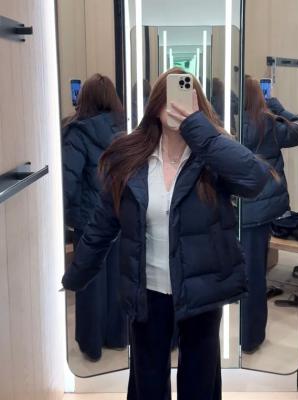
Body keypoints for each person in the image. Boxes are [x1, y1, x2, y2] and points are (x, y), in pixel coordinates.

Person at [62, 67, 271, 400]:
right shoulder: (130, 157)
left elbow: (255, 179)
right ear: (156, 105)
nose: (176, 106)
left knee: (199, 383)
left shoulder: (213, 156)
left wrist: (198, 128)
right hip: (147, 292)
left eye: (186, 98)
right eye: (169, 98)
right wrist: (76, 274)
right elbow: (102, 224)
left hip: (202, 290)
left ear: (197, 105)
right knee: (148, 382)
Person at [62, 73, 128, 361]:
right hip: (119, 215)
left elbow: (68, 181)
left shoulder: (76, 133)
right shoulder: (124, 131)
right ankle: (117, 336)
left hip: (88, 219)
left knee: (90, 281)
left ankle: (92, 345)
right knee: (116, 278)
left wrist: (64, 215)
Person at [240, 76, 298, 353]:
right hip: (261, 210)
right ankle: (251, 337)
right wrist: (278, 108)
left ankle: (239, 331)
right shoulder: (268, 123)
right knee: (254, 273)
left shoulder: (229, 123)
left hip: (235, 207)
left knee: (240, 269)